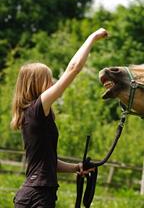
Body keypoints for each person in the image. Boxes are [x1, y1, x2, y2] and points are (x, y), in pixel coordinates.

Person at [11, 28, 108, 208]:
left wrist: (75, 167)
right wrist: (91, 38)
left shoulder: (33, 114)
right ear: (36, 84)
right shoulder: (37, 108)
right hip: (38, 195)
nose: (53, 83)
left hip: (35, 193)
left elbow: (46, 162)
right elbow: (73, 69)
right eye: (48, 80)